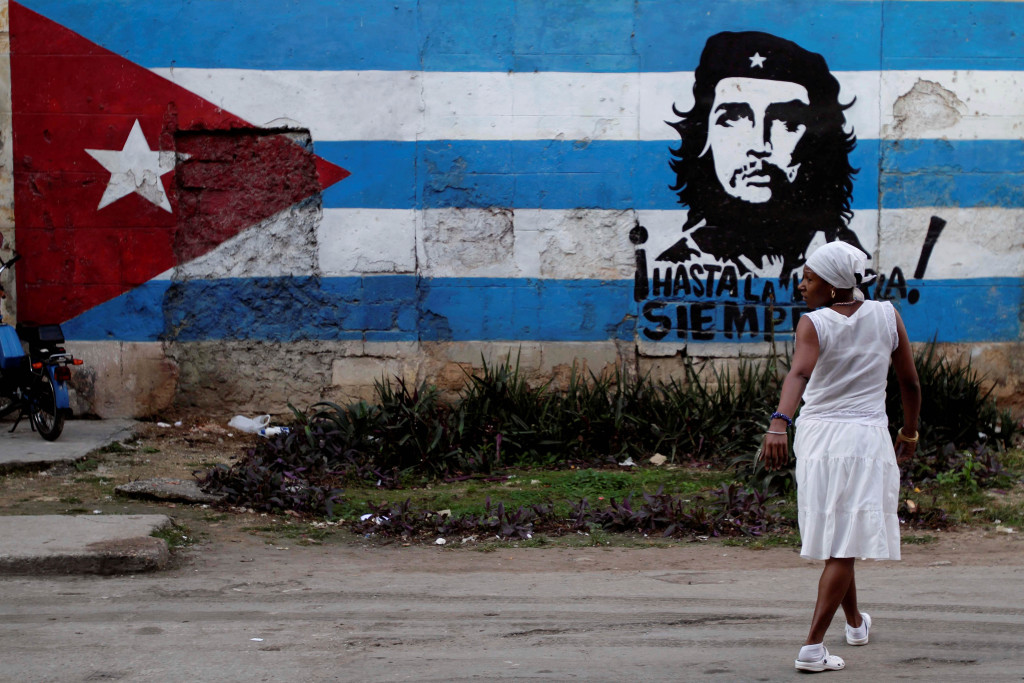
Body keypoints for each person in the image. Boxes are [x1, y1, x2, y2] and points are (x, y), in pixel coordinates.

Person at [761, 240, 921, 672]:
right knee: (843, 541)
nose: (801, 284)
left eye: (809, 278)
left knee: (840, 538)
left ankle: (854, 624)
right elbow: (909, 383)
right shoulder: (888, 316)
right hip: (865, 440)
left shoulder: (814, 323)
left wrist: (781, 423)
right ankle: (813, 647)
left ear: (832, 288)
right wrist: (908, 432)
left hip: (819, 440)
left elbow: (799, 372)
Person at [659, 31, 863, 278]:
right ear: (703, 139)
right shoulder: (676, 266)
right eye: (734, 118)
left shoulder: (853, 264)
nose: (759, 144)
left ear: (820, 144)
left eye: (787, 120)